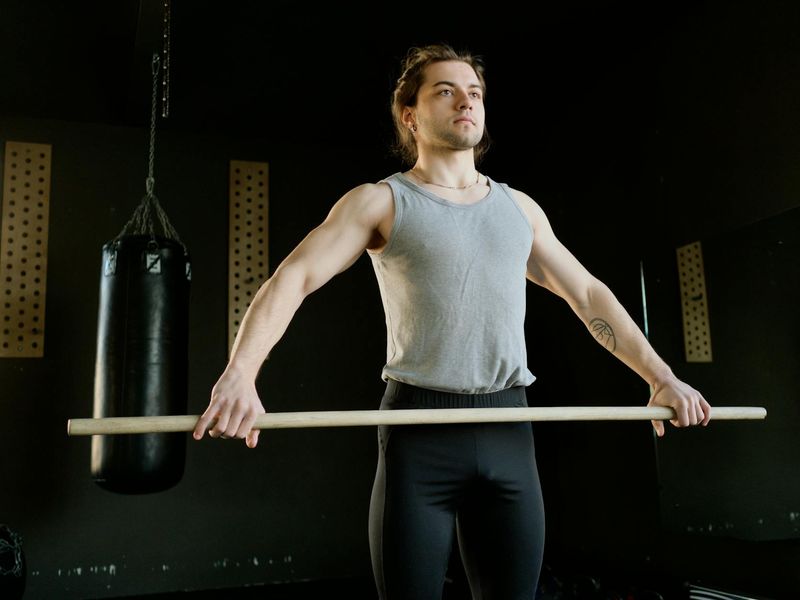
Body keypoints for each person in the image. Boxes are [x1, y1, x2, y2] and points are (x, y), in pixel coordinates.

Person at [193, 43, 711, 600]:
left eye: (475, 92)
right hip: (419, 434)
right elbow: (291, 279)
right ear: (410, 115)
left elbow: (588, 294)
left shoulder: (519, 210)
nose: (466, 100)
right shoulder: (381, 202)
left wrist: (661, 376)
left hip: (509, 427)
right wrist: (241, 374)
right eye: (446, 90)